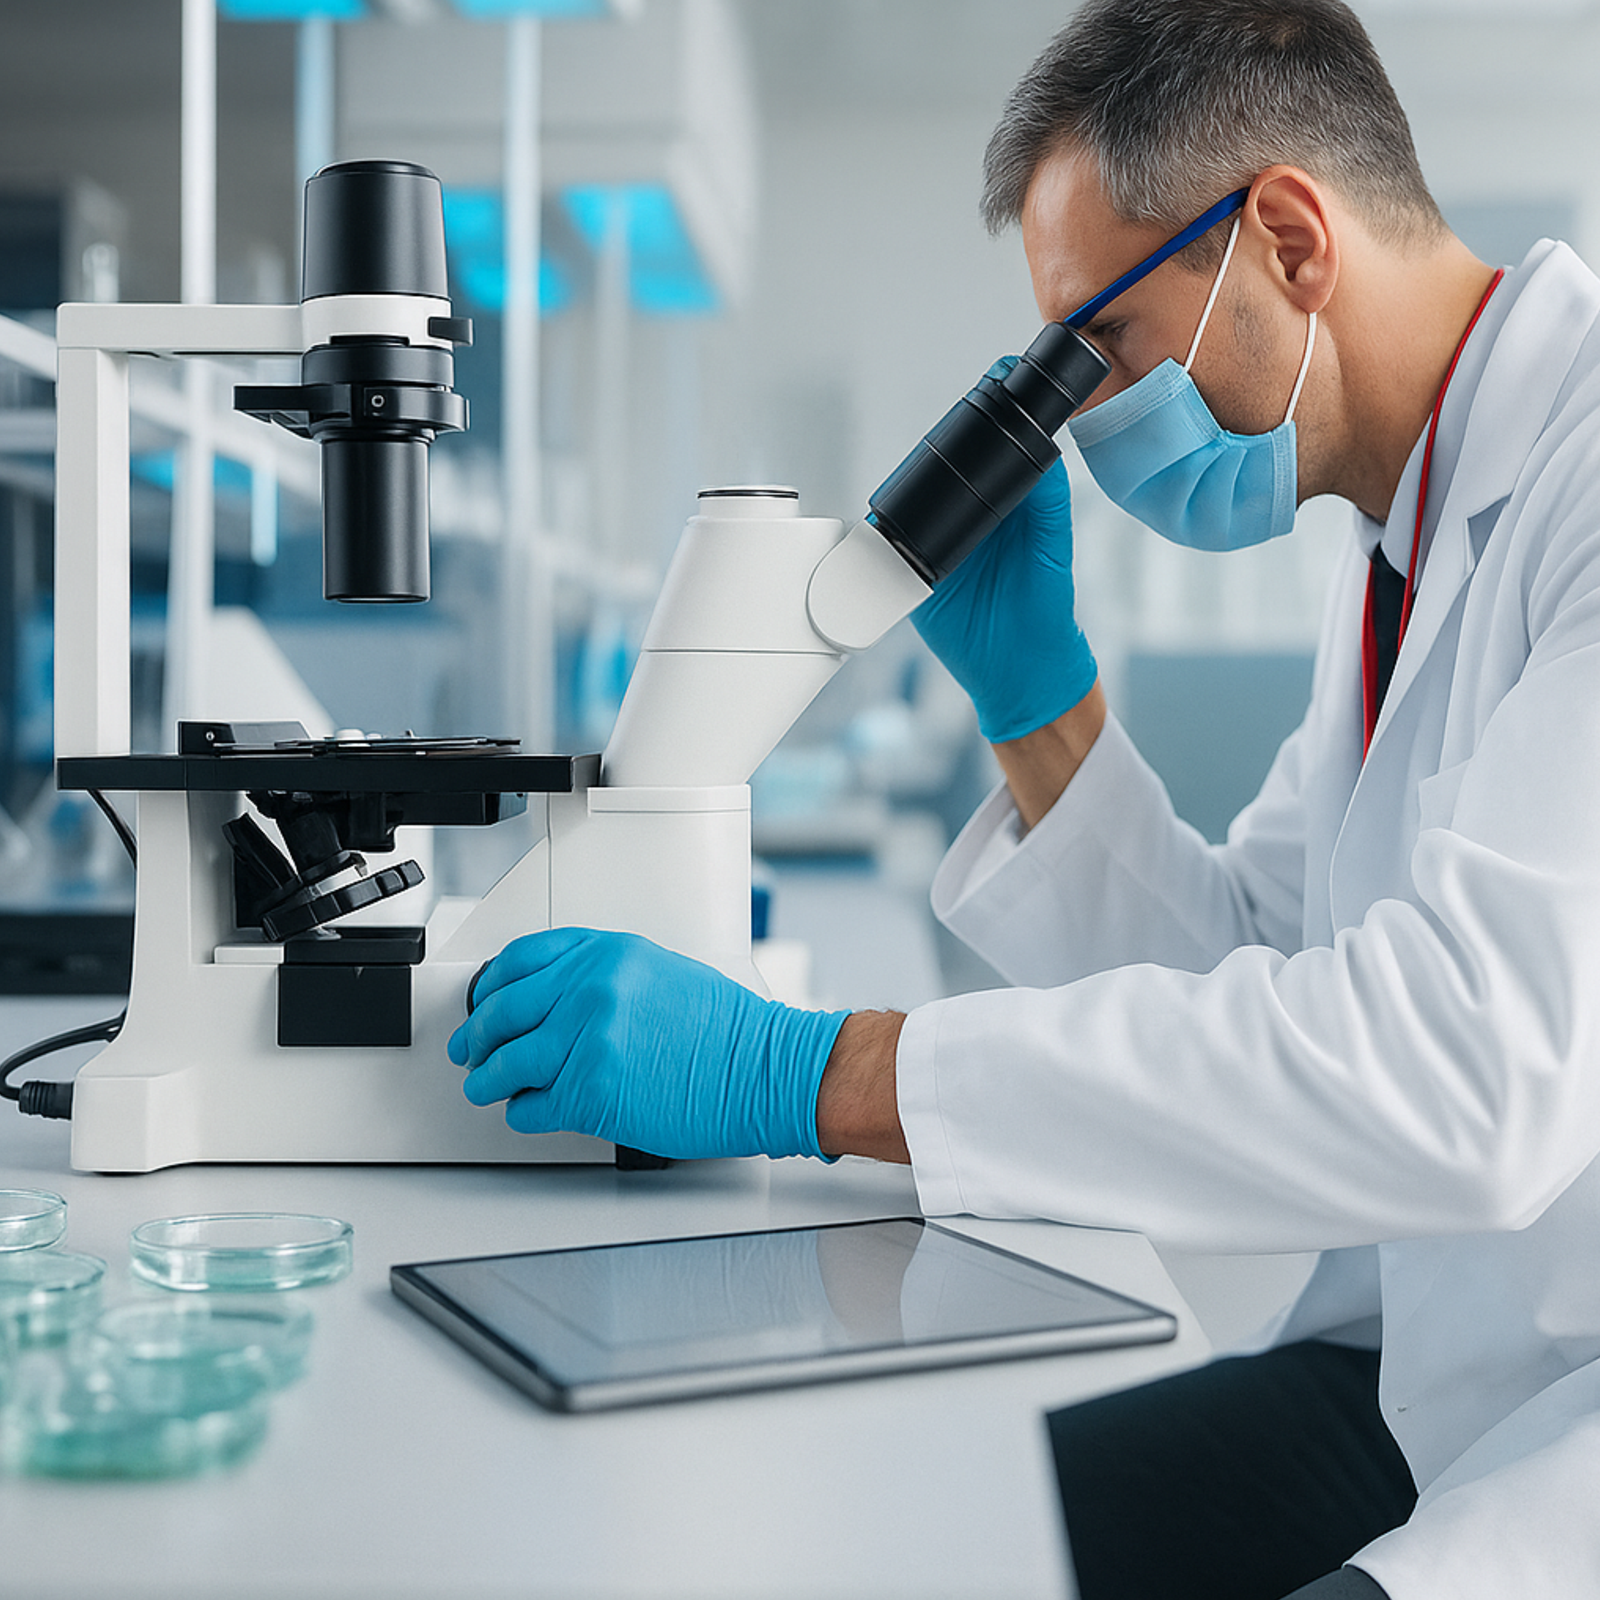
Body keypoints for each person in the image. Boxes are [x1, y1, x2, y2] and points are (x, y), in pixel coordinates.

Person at [448, 2, 1600, 1595]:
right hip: (1425, 1355)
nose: (1086, 416)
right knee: (949, 1520)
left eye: (1101, 346)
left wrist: (809, 1073)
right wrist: (1039, 709)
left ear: (1286, 238)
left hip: (1567, 1423)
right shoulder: (1394, 534)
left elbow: (1470, 1076)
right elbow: (1238, 971)